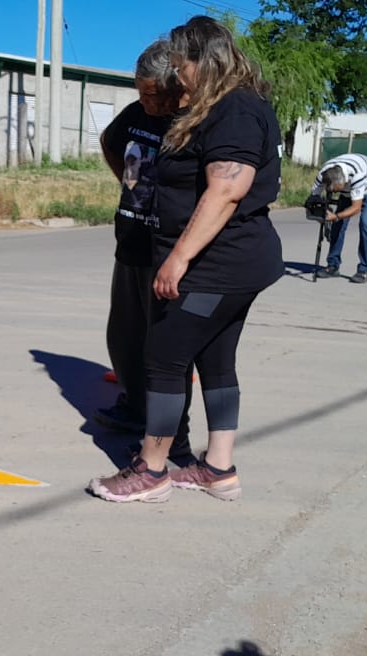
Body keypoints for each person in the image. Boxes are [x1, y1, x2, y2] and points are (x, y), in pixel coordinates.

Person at [89, 16, 284, 503]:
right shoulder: (230, 105)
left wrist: (177, 259)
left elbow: (227, 188)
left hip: (216, 265)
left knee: (163, 359)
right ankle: (218, 469)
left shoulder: (235, 109)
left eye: (181, 64)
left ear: (203, 60)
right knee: (217, 362)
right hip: (233, 262)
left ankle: (150, 472)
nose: (178, 75)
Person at [93, 39, 185, 438]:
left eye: (151, 94)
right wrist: (132, 187)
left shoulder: (189, 122)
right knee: (124, 332)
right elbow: (109, 144)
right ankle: (133, 404)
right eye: (140, 92)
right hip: (131, 237)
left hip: (168, 248)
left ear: (173, 87)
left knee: (161, 338)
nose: (145, 101)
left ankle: (164, 420)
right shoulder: (134, 115)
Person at [311, 153, 367, 284]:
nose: (333, 192)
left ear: (343, 181)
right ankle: (333, 265)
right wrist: (321, 216)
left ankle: (363, 270)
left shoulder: (357, 175)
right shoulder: (324, 174)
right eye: (330, 190)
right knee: (337, 225)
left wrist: (336, 216)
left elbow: (356, 208)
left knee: (365, 223)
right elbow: (312, 201)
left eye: (335, 189)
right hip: (349, 188)